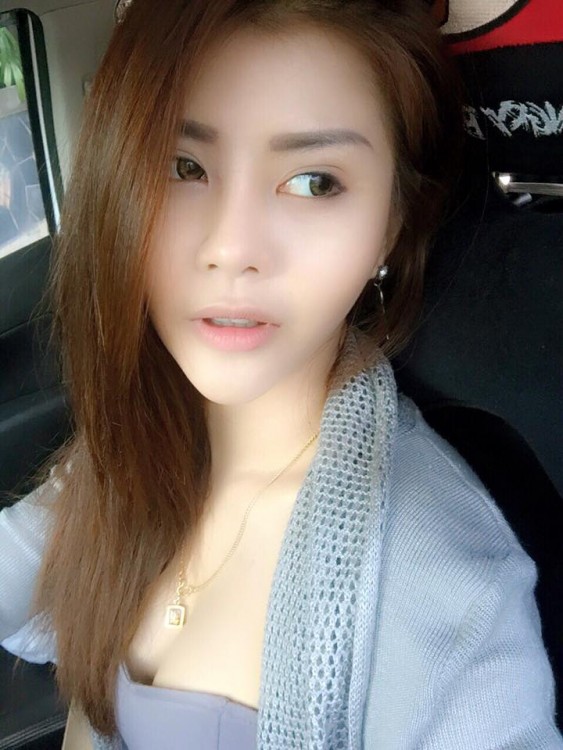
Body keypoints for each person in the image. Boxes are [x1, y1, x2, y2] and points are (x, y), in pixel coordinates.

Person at [1, 0, 561, 748]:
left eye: (314, 182)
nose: (232, 249)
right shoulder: (112, 462)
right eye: (184, 167)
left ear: (391, 226)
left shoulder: (447, 591)